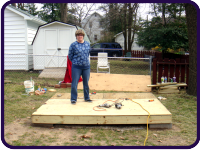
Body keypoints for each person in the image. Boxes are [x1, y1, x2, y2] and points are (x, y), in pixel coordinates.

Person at [68, 29, 92, 105]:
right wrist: (76, 62)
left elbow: (87, 54)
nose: (80, 36)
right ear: (76, 36)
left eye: (81, 35)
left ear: (83, 36)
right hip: (76, 67)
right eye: (78, 35)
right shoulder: (73, 45)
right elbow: (70, 56)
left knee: (86, 83)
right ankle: (73, 99)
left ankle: (87, 97)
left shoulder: (87, 44)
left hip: (86, 67)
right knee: (74, 83)